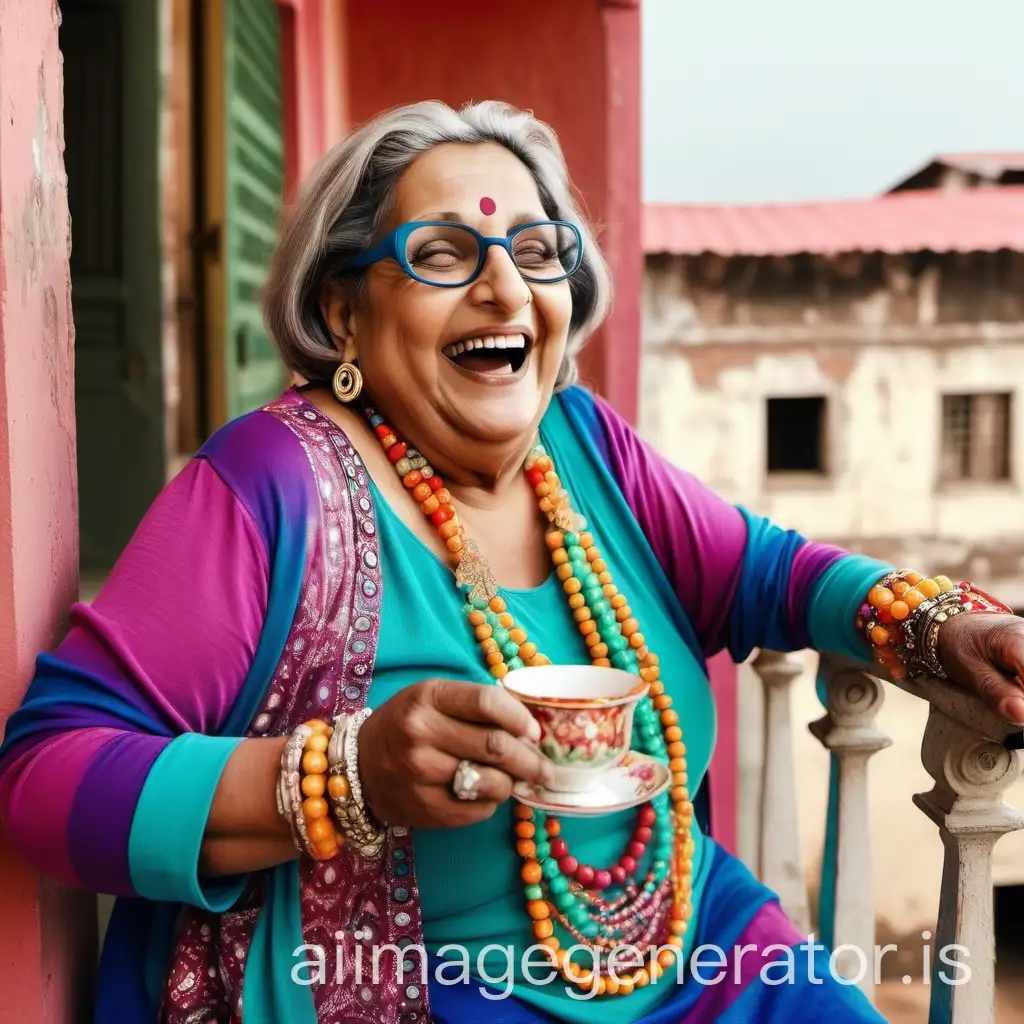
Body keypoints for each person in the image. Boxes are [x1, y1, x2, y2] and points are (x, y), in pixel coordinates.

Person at [1, 99, 1022, 1024]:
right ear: (345, 308)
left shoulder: (584, 446)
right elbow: (46, 776)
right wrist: (344, 775)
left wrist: (931, 628)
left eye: (536, 251)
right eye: (443, 253)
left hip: (702, 946)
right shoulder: (269, 481)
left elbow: (769, 571)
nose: (503, 288)